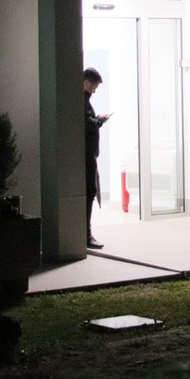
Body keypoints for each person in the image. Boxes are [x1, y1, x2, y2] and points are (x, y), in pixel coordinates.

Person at [83, 67, 111, 249]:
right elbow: (87, 124)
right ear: (87, 83)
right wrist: (99, 121)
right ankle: (86, 234)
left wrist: (97, 119)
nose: (95, 91)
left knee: (90, 192)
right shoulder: (82, 100)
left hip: (87, 154)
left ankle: (85, 233)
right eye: (94, 86)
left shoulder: (82, 100)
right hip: (87, 155)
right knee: (90, 191)